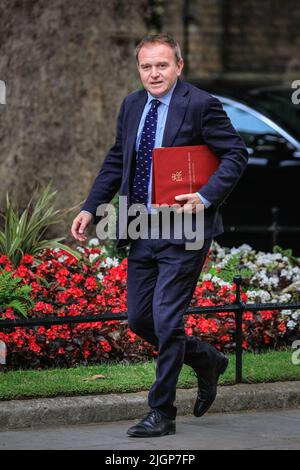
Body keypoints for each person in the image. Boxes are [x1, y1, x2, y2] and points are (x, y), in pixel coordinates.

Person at [71, 33, 248, 438]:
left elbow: (236, 153)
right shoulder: (132, 105)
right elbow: (117, 160)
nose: (154, 73)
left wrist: (205, 197)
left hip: (185, 229)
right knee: (139, 319)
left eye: (162, 65)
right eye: (146, 66)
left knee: (168, 321)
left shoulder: (201, 104)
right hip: (141, 227)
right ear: (139, 69)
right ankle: (207, 360)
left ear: (179, 66)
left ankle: (161, 413)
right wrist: (89, 208)